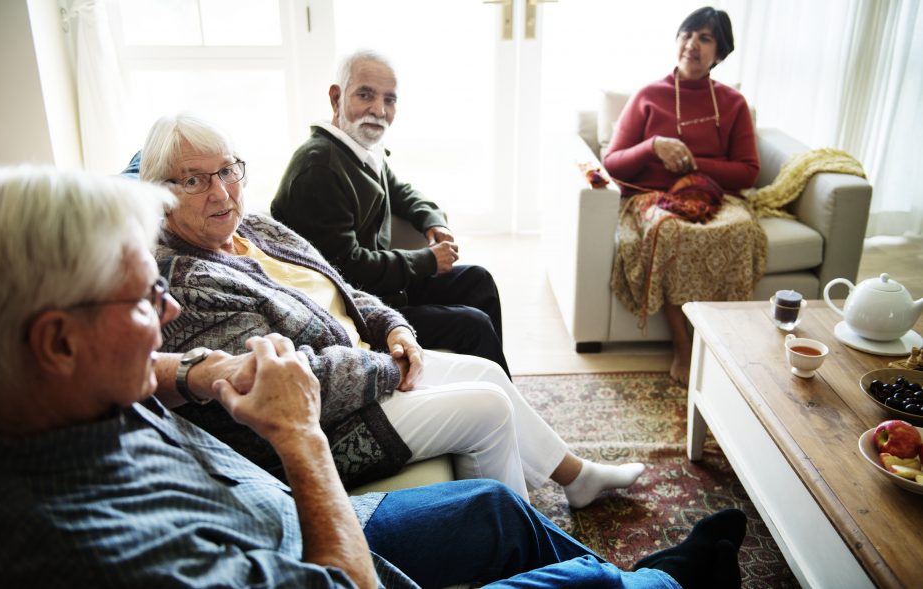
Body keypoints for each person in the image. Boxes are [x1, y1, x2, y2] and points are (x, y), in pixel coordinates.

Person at [0, 165, 749, 588]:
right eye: (144, 298)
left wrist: (192, 370)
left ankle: (635, 578)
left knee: (493, 505)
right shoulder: (99, 550)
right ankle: (661, 584)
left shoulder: (67, 386)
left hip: (287, 509)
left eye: (228, 169)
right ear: (57, 340)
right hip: (318, 541)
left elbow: (336, 280)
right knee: (585, 585)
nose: (166, 306)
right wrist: (300, 436)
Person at [137, 112, 646, 508]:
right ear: (160, 193)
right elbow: (279, 383)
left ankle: (573, 479)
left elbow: (339, 287)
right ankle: (513, 548)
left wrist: (394, 326)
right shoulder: (189, 282)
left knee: (488, 372)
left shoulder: (253, 228)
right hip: (322, 422)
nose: (223, 191)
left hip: (364, 365)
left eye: (227, 170)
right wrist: (389, 364)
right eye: (196, 180)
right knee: (487, 410)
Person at [271, 50, 510, 375]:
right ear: (336, 98)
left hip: (384, 287)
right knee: (473, 325)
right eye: (366, 95)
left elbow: (401, 192)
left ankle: (495, 383)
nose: (379, 110)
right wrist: (426, 260)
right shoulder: (319, 168)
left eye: (390, 99)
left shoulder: (360, 149)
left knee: (478, 281)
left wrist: (432, 221)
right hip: (354, 311)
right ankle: (492, 398)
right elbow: (346, 268)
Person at [602, 7, 767, 384]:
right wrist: (653, 147)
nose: (692, 44)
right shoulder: (648, 95)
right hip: (652, 198)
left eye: (705, 38)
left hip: (713, 198)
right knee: (672, 232)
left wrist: (696, 165)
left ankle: (725, 344)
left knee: (740, 231)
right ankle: (684, 347)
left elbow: (747, 171)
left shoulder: (733, 104)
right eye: (687, 34)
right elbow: (613, 162)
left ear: (720, 53)